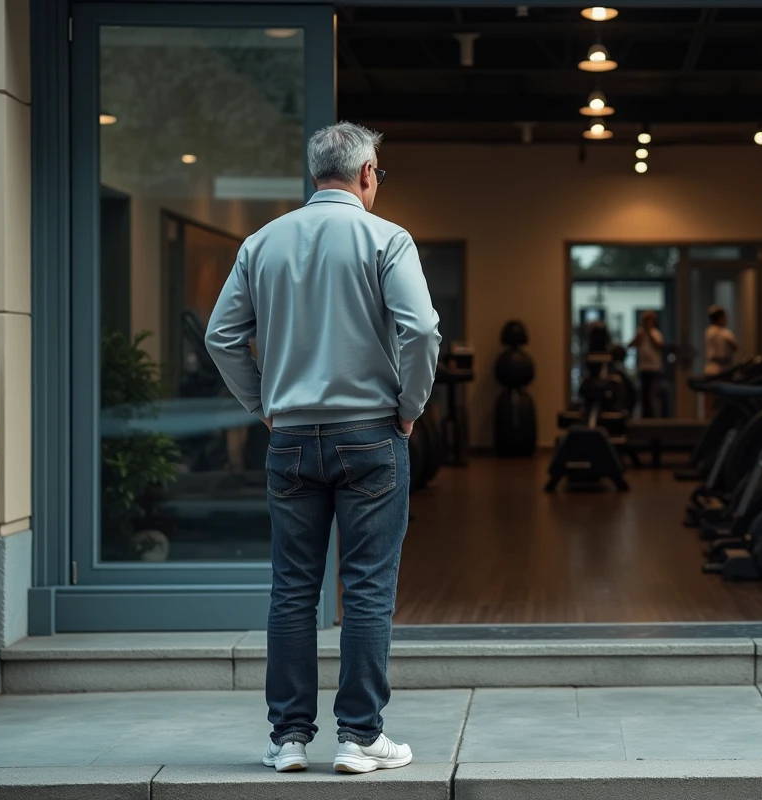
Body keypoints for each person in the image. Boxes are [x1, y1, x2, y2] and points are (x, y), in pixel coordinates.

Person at [205, 122, 440, 775]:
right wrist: (411, 408)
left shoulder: (262, 242)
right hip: (371, 433)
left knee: (292, 589)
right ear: (367, 173)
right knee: (366, 588)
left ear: (316, 174)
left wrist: (265, 407)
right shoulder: (387, 238)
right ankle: (360, 737)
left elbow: (222, 338)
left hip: (291, 440)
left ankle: (288, 740)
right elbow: (420, 328)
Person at [628, 310, 665, 418]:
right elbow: (631, 344)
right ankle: (645, 416)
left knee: (652, 395)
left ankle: (654, 417)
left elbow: (659, 346)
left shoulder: (656, 333)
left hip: (654, 368)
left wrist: (649, 333)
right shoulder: (640, 333)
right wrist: (640, 336)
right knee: (644, 395)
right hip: (643, 368)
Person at [703, 305, 739, 416]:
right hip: (715, 367)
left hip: (726, 368)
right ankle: (708, 417)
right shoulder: (713, 331)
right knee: (711, 396)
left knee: (722, 399)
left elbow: (735, 346)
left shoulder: (725, 332)